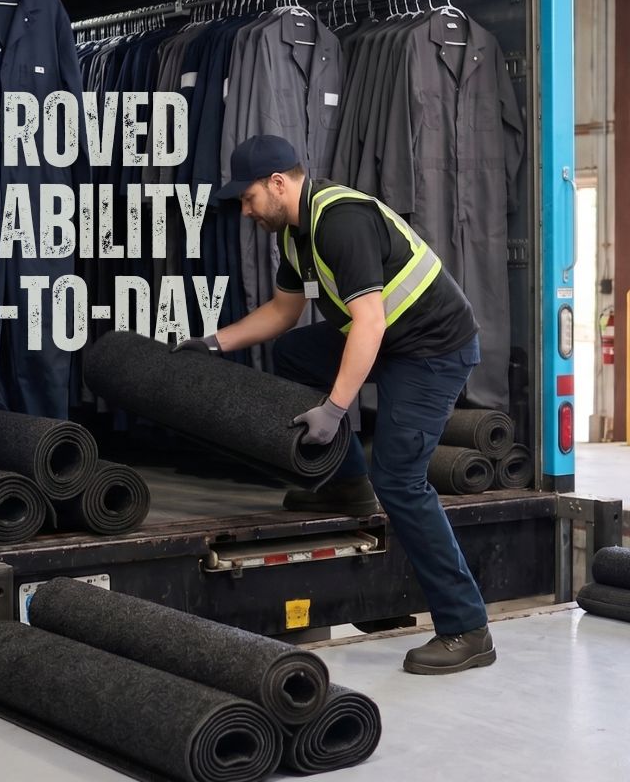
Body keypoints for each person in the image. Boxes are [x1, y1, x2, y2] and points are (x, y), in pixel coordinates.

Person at [174, 134, 496, 675]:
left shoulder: (339, 219)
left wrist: (333, 408)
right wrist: (214, 342)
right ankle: (347, 482)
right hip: (392, 340)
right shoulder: (296, 235)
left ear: (278, 183)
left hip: (432, 349)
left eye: (249, 198)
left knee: (400, 481)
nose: (247, 211)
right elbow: (283, 310)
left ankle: (467, 628)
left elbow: (369, 322)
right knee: (295, 350)